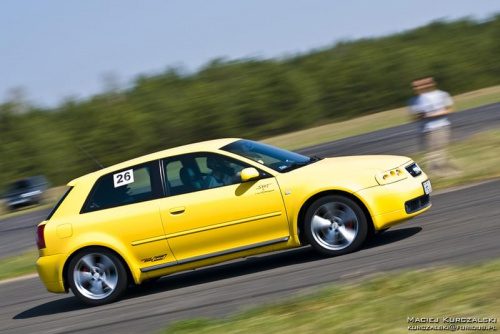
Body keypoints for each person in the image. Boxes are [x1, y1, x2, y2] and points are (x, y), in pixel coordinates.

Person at [409, 77, 456, 176]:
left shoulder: (442, 94)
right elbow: (415, 116)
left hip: (441, 126)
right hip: (425, 130)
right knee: (431, 153)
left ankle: (441, 172)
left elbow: (451, 109)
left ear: (432, 83)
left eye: (424, 84)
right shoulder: (414, 100)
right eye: (416, 86)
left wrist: (432, 115)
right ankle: (439, 173)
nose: (420, 87)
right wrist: (419, 116)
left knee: (439, 151)